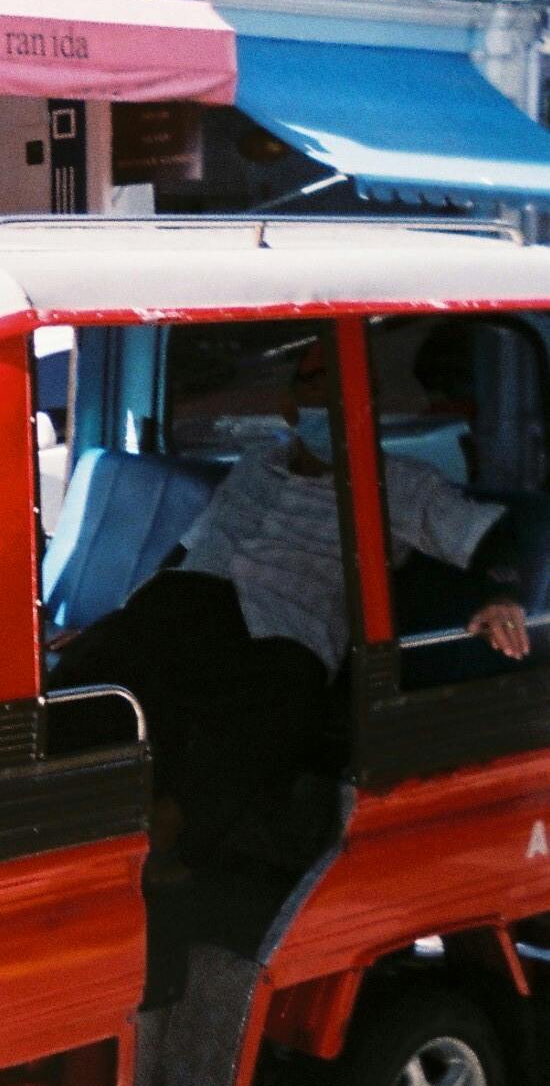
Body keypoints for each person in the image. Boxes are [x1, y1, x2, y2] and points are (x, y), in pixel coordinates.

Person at [53, 338, 528, 871]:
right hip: (191, 604)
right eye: (319, 385)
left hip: (287, 629)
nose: (336, 401)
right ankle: (50, 816)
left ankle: (173, 843)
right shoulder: (257, 464)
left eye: (352, 390)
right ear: (289, 402)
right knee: (94, 665)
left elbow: (490, 536)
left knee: (265, 705)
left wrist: (502, 596)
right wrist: (120, 616)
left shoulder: (401, 483)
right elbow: (191, 547)